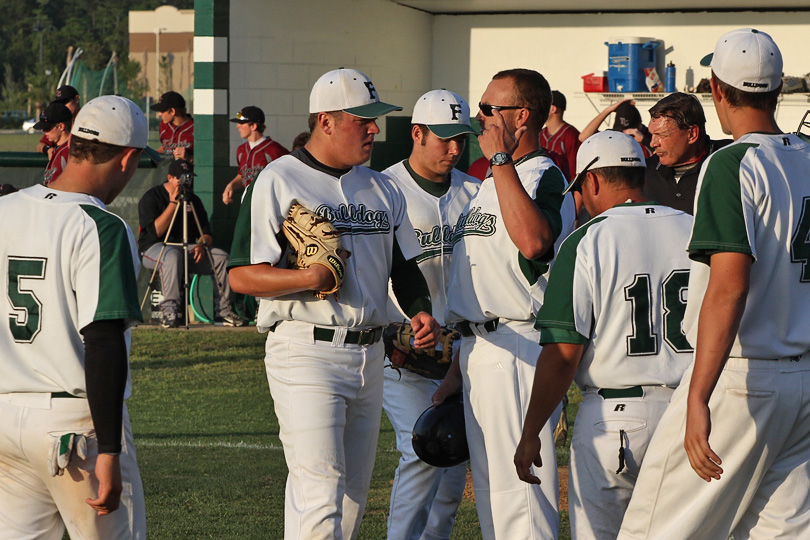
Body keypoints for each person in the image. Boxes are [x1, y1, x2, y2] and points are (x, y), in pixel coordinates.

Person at [227, 68, 441, 539]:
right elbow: (241, 273)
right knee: (321, 488)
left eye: (375, 118)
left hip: (371, 354)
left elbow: (403, 266)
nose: (373, 129)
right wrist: (307, 277)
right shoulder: (279, 179)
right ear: (326, 121)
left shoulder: (382, 188)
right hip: (306, 350)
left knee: (349, 500)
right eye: (361, 119)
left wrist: (419, 308)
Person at [618, 28, 810, 540]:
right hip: (804, 377)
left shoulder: (731, 162)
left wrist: (697, 396)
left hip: (744, 379)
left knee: (653, 529)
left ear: (716, 89)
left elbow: (728, 286)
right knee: (778, 532)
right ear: (777, 90)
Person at [514, 131, 694, 539]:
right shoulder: (693, 227)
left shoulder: (587, 239)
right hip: (691, 409)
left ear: (591, 181)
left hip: (616, 419)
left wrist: (531, 432)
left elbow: (563, 352)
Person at [437, 68, 577, 540]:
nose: (479, 120)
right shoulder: (493, 178)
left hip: (521, 347)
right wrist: (460, 359)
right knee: (497, 497)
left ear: (521, 116)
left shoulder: (543, 175)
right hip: (482, 347)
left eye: (488, 110)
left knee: (522, 500)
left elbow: (536, 242)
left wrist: (500, 160)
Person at [0, 95, 147, 539]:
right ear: (126, 158)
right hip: (73, 427)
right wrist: (108, 448)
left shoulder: (6, 209)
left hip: (6, 415)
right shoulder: (101, 226)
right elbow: (102, 340)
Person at [381, 89, 480, 540]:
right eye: (444, 139)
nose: (456, 148)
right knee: (423, 449)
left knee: (453, 457)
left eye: (461, 138)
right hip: (402, 353)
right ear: (417, 133)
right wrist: (396, 324)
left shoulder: (477, 193)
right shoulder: (384, 190)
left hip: (459, 354)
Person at [138, 159, 245, 328]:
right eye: (182, 179)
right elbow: (155, 232)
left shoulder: (193, 200)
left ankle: (225, 312)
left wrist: (202, 245)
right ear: (170, 178)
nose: (186, 182)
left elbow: (206, 234)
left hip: (186, 248)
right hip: (154, 248)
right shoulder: (152, 197)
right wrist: (174, 203)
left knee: (221, 258)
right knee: (172, 256)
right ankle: (170, 312)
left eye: (189, 178)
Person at [644, 92, 730, 214]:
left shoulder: (730, 163)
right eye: (652, 134)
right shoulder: (645, 172)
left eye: (662, 135)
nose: (653, 143)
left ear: (692, 134)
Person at [222, 106, 289, 205]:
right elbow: (243, 175)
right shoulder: (241, 150)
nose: (237, 126)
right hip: (248, 201)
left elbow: (288, 176)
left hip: (269, 203)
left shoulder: (274, 149)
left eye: (241, 123)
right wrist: (231, 185)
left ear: (253, 126)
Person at [580, 99, 652, 156]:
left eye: (630, 132)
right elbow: (583, 137)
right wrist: (608, 110)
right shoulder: (615, 135)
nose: (625, 135)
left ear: (639, 126)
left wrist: (644, 141)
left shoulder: (651, 137)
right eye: (622, 131)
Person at [540, 90, 580, 180]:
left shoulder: (571, 136)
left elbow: (575, 173)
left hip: (564, 189)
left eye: (543, 105)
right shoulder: (540, 135)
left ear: (553, 109)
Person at [34, 102, 72, 185]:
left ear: (61, 126)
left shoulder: (70, 151)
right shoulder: (57, 147)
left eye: (47, 128)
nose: (44, 131)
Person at [37, 85, 81, 155]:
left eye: (65, 102)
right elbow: (40, 145)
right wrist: (48, 149)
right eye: (59, 103)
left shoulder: (87, 119)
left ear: (77, 99)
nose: (62, 106)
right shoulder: (59, 122)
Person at [151, 90, 193, 160]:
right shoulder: (164, 125)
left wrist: (189, 158)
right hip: (166, 169)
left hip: (187, 170)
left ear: (172, 111)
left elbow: (206, 158)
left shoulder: (195, 128)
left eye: (162, 110)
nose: (159, 114)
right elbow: (165, 148)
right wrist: (150, 153)